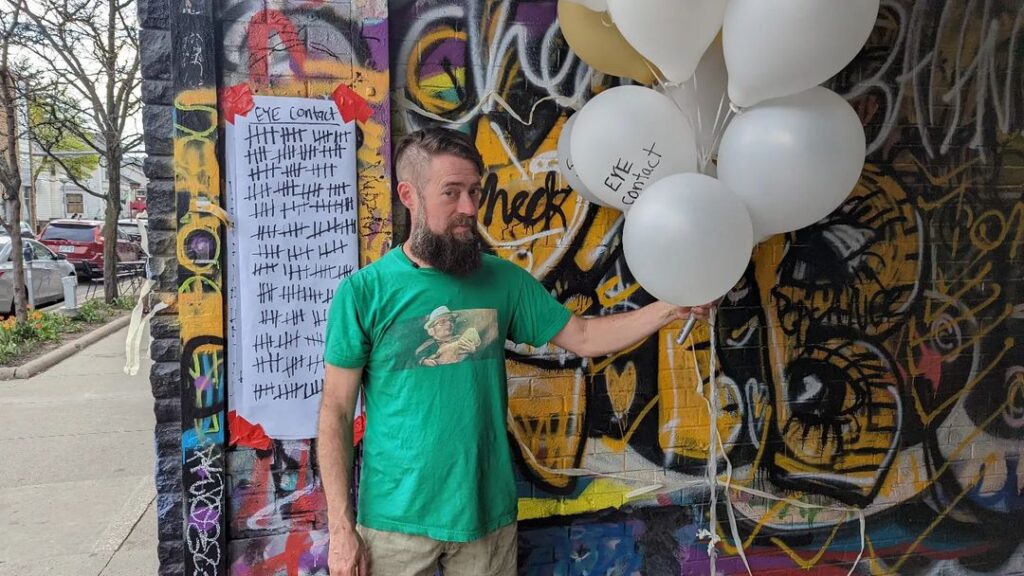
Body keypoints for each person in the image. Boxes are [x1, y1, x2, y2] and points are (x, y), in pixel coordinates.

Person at [318, 127, 712, 576]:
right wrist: (341, 527)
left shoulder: (503, 281)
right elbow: (335, 411)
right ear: (409, 195)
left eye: (474, 193)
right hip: (395, 525)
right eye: (452, 193)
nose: (468, 208)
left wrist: (667, 310)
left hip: (487, 519)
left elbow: (582, 337)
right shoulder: (365, 293)